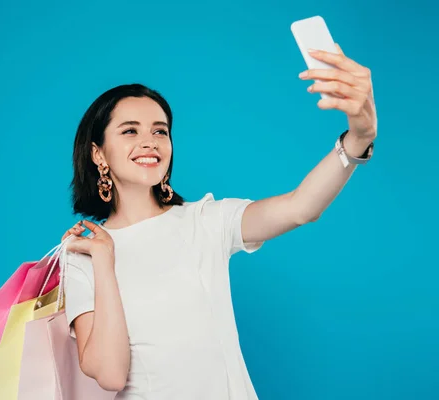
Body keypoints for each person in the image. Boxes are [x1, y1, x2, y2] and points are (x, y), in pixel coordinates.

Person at [59, 46, 377, 400]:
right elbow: (111, 374)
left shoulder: (205, 221)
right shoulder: (84, 255)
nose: (149, 142)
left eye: (160, 131)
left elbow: (300, 207)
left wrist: (358, 140)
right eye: (130, 131)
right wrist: (105, 262)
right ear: (98, 153)